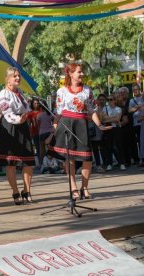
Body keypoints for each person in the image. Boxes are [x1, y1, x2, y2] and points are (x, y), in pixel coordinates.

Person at [47, 63, 107, 200]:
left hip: (81, 125)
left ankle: (84, 187)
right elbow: (58, 113)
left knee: (87, 159)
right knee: (69, 159)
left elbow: (91, 110)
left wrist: (99, 125)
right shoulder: (61, 91)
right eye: (79, 72)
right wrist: (52, 133)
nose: (82, 74)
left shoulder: (87, 90)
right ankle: (73, 187)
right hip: (66, 125)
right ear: (71, 73)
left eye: (82, 72)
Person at [0, 67, 35, 205]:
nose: (18, 78)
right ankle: (15, 191)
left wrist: (29, 114)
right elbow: (7, 112)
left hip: (22, 127)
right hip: (10, 127)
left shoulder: (20, 93)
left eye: (19, 76)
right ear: (8, 79)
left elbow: (27, 109)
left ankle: (27, 190)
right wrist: (19, 120)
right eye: (15, 76)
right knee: (11, 162)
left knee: (28, 161)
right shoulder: (3, 94)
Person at [101, 93, 126, 171]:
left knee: (118, 146)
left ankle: (121, 163)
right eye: (108, 100)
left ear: (115, 100)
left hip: (117, 129)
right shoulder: (105, 108)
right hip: (108, 128)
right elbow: (103, 119)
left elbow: (118, 119)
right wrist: (113, 118)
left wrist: (108, 119)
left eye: (111, 99)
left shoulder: (118, 109)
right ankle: (109, 164)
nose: (109, 101)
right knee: (109, 146)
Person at [128, 84, 143, 165]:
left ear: (139, 89)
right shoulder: (131, 100)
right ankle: (141, 159)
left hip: (143, 122)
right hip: (136, 124)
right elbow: (130, 110)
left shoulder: (143, 97)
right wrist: (138, 106)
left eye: (136, 89)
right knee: (140, 142)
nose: (135, 91)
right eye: (134, 90)